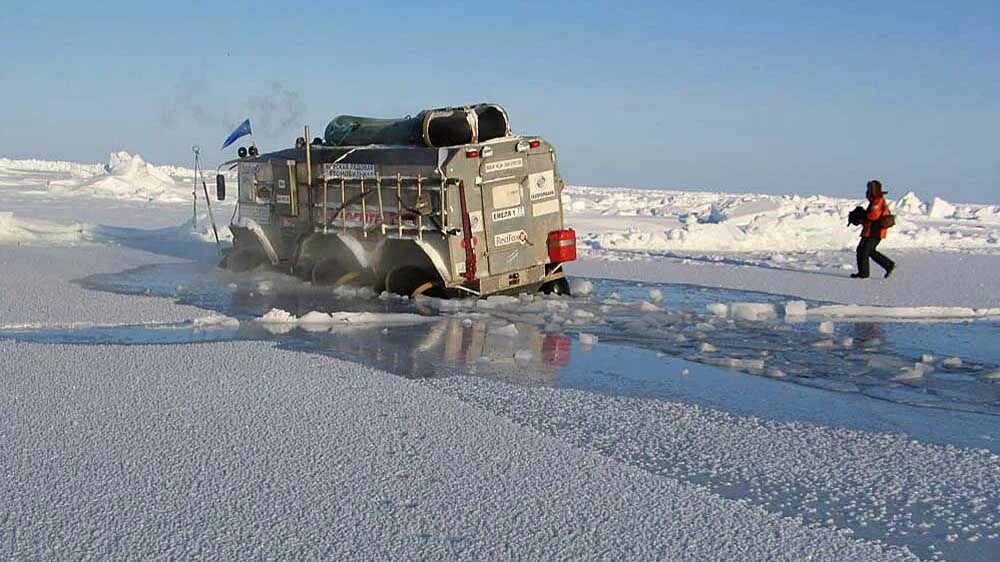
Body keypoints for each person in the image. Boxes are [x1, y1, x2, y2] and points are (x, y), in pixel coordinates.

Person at [852, 179, 895, 279]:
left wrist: (863, 214)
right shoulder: (874, 201)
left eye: (871, 188)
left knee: (865, 251)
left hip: (876, 231)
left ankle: (864, 273)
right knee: (863, 250)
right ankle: (887, 265)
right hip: (869, 230)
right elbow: (870, 217)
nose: (869, 190)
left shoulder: (878, 200)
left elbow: (873, 216)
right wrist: (861, 219)